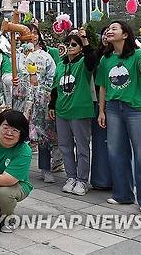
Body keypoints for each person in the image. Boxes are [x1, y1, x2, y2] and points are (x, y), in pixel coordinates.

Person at [97, 21, 141, 213]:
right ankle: (123, 194)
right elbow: (103, 86)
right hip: (113, 108)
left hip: (136, 109)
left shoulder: (138, 54)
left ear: (125, 34)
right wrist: (101, 111)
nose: (109, 31)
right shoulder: (106, 59)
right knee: (115, 151)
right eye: (108, 29)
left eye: (114, 28)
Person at [48, 31, 96, 196]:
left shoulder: (83, 62)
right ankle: (71, 177)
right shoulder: (61, 64)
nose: (69, 47)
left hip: (80, 110)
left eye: (74, 44)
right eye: (67, 44)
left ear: (81, 47)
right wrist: (51, 106)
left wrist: (85, 40)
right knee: (65, 146)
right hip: (62, 111)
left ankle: (82, 180)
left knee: (82, 147)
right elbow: (55, 87)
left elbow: (92, 62)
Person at [14, 24, 57, 184]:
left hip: (41, 100)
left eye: (34, 32)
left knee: (43, 134)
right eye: (28, 33)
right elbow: (14, 74)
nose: (32, 35)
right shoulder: (18, 55)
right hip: (22, 99)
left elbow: (52, 75)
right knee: (19, 132)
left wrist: (43, 90)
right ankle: (15, 168)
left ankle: (46, 169)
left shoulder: (46, 56)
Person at [90, 26, 112, 190]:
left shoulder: (122, 55)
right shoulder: (97, 57)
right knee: (99, 142)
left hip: (116, 101)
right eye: (104, 32)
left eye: (110, 32)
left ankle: (119, 179)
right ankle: (100, 180)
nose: (106, 35)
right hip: (98, 102)